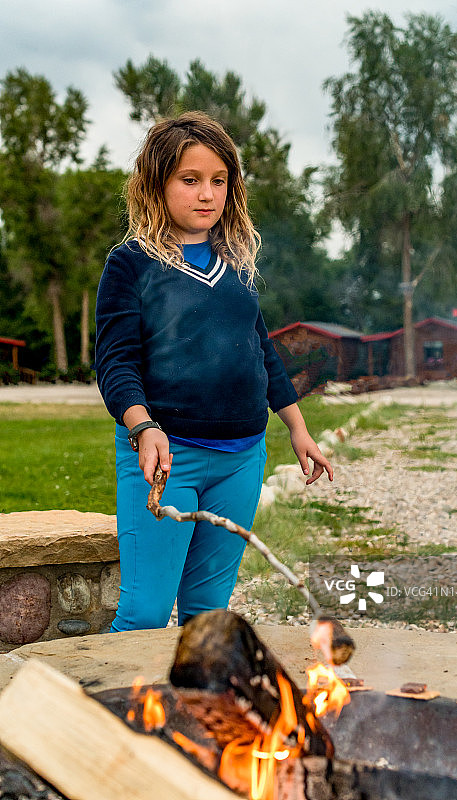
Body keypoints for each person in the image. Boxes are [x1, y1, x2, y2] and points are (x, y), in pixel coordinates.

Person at [95, 111, 333, 632]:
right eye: (190, 179)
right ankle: (108, 715)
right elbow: (115, 362)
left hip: (241, 460)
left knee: (207, 617)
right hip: (163, 456)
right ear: (155, 186)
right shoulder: (131, 264)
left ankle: (194, 714)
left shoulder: (236, 264)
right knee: (144, 614)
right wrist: (143, 426)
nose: (207, 194)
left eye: (218, 181)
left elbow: (262, 353)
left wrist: (297, 428)